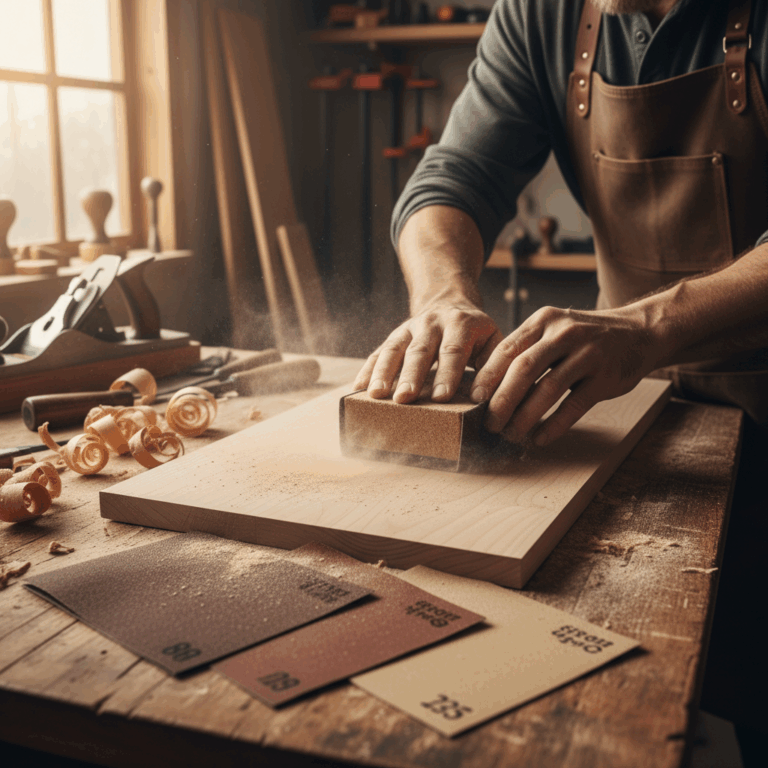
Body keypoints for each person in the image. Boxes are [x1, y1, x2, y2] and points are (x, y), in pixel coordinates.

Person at [353, 0, 768, 448]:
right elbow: (455, 178)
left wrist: (651, 327)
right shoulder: (539, 12)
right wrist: (442, 295)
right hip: (619, 399)